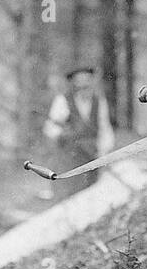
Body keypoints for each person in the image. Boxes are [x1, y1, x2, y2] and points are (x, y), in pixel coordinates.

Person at [42, 66, 115, 196]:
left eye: (86, 81)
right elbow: (50, 127)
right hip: (70, 156)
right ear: (73, 84)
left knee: (91, 193)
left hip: (91, 155)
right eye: (79, 82)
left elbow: (105, 128)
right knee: (69, 193)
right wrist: (65, 135)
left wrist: (104, 152)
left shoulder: (99, 101)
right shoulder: (63, 100)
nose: (83, 86)